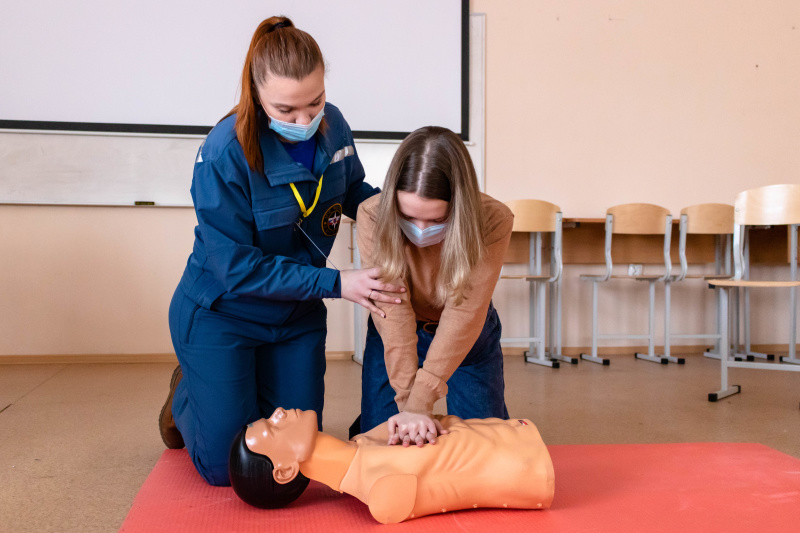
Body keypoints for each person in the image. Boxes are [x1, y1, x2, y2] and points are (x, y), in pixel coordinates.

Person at [160, 16, 404, 487]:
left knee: (298, 458)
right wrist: (339, 283)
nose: (305, 120)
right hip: (224, 312)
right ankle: (187, 392)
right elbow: (237, 268)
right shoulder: (224, 152)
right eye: (286, 109)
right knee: (227, 467)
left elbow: (352, 189)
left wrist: (399, 211)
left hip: (294, 317)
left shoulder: (334, 130)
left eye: (315, 102)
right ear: (255, 95)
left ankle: (228, 394)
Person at [354, 126, 514, 445]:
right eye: (408, 217)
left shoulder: (493, 219)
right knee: (380, 441)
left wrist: (420, 402)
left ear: (459, 209)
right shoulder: (371, 214)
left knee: (485, 449)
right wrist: (410, 409)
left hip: (467, 335)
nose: (420, 230)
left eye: (436, 221)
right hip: (397, 330)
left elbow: (464, 312)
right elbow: (393, 310)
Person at [231, 407, 555, 524]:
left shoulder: (364, 441)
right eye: (272, 427)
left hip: (516, 435)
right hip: (531, 468)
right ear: (285, 470)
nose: (278, 413)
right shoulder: (381, 494)